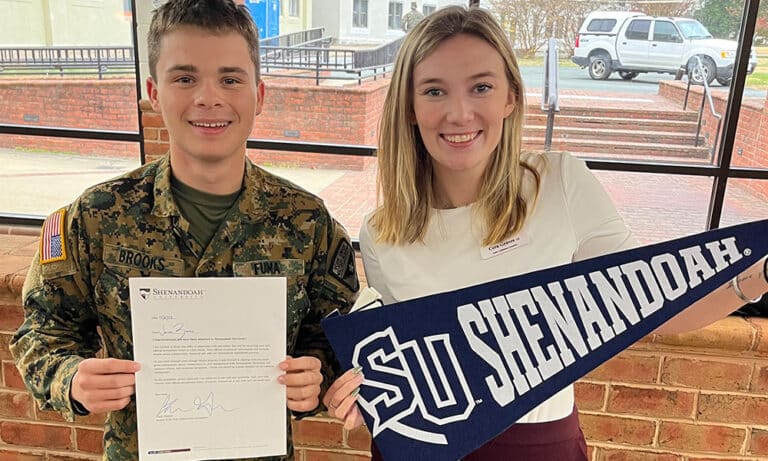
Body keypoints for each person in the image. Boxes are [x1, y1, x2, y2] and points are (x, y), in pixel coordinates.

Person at [323, 6, 768, 460]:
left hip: (539, 443)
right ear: (411, 109)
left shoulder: (558, 183)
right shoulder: (381, 231)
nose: (459, 113)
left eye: (481, 87)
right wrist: (358, 391)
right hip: (429, 449)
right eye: (434, 91)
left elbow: (656, 306)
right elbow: (404, 371)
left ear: (510, 97)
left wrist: (758, 277)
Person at [10, 1, 358, 460]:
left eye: (230, 79)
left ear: (260, 94)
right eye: (185, 78)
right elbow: (42, 331)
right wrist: (70, 378)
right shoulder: (94, 217)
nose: (208, 97)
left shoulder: (308, 222)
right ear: (154, 92)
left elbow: (335, 334)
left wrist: (317, 375)